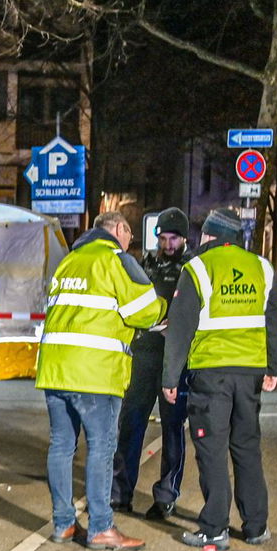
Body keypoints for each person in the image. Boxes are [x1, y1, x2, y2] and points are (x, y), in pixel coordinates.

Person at [36, 210, 167, 551]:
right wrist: (166, 306)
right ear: (120, 230)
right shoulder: (116, 260)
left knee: (62, 446)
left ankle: (64, 523)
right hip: (95, 373)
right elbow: (147, 310)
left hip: (54, 369)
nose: (130, 243)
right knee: (102, 447)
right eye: (130, 236)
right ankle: (100, 527)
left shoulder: (69, 262)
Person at [161, 208, 277, 549]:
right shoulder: (262, 267)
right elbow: (276, 320)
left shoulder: (198, 268)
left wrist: (170, 376)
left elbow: (181, 327)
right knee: (247, 447)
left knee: (212, 449)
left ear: (211, 236)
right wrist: (272, 367)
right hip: (250, 375)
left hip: (211, 375)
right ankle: (256, 526)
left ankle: (215, 526)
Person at [111, 207, 191, 521]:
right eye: (163, 237)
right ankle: (120, 493)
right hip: (144, 353)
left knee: (173, 429)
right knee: (130, 425)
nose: (167, 244)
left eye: (173, 238)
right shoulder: (147, 263)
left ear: (184, 238)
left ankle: (166, 497)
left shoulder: (192, 267)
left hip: (175, 358)